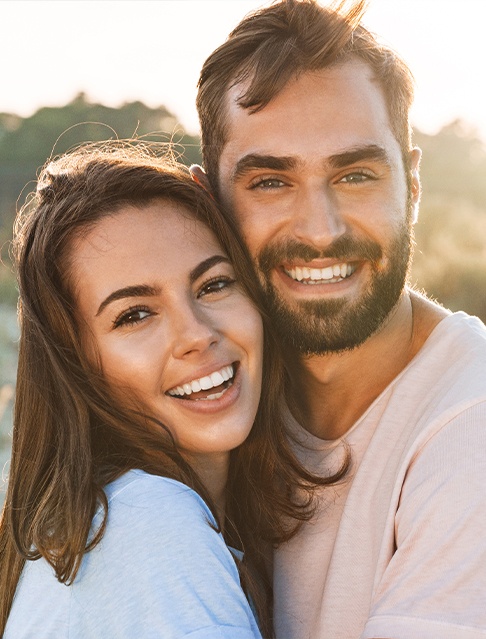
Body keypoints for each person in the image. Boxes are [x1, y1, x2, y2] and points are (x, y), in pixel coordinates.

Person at [194, 1, 486, 637]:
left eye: (354, 175)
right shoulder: (206, 397)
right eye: (270, 182)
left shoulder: (472, 431)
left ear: (411, 185)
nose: (320, 231)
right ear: (207, 202)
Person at [0, 143, 345, 638]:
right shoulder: (146, 522)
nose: (197, 333)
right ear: (76, 365)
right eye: (135, 315)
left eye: (213, 285)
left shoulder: (106, 521)